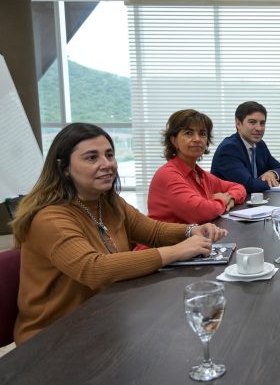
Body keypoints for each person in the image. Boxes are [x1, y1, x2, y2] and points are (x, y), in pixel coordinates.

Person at [11, 123, 228, 344]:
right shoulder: (49, 218)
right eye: (91, 158)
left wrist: (191, 230)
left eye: (109, 155)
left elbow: (152, 231)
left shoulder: (107, 201)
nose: (107, 164)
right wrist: (174, 252)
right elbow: (94, 269)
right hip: (54, 336)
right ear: (64, 168)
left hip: (106, 316)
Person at [148, 109, 246, 224]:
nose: (197, 139)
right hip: (167, 242)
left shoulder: (201, 175)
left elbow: (240, 188)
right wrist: (223, 200)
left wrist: (231, 197)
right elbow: (200, 212)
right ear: (174, 141)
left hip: (194, 238)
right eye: (188, 133)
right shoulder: (168, 175)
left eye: (202, 134)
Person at [211, 101, 280, 193]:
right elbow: (249, 185)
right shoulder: (229, 149)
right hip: (232, 206)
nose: (259, 128)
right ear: (238, 124)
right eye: (252, 122)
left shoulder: (260, 145)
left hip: (255, 203)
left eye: (262, 123)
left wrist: (272, 173)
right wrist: (270, 180)